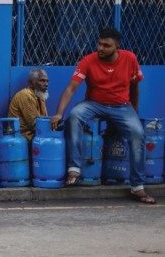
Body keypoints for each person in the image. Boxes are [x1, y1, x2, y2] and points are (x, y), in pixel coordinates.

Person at [51, 28, 155, 204]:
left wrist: (133, 111)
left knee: (138, 135)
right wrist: (59, 113)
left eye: (107, 45)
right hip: (94, 104)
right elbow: (71, 88)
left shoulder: (130, 58)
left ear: (117, 47)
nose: (101, 48)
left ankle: (137, 187)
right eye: (99, 43)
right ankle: (74, 168)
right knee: (75, 115)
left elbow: (134, 86)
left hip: (122, 106)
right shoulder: (88, 61)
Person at [8, 69, 49, 141]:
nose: (46, 84)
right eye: (42, 81)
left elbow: (44, 121)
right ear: (31, 83)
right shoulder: (26, 95)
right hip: (20, 137)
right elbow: (35, 125)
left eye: (47, 81)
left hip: (32, 135)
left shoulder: (40, 96)